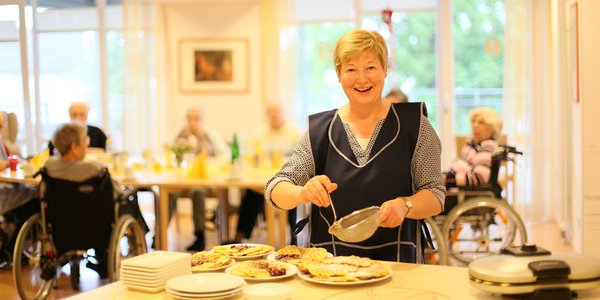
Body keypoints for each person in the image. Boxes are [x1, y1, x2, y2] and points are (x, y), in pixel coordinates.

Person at [265, 29, 445, 263]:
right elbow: (275, 189)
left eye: (370, 67)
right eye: (351, 69)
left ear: (385, 70)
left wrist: (405, 205)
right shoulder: (319, 130)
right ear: (339, 74)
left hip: (400, 263)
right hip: (330, 268)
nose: (362, 79)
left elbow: (435, 194)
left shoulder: (415, 125)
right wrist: (302, 192)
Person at [44, 122, 123, 278]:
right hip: (96, 232)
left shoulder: (49, 166)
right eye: (85, 140)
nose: (88, 142)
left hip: (62, 231)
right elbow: (115, 192)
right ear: (74, 147)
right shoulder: (95, 168)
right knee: (127, 203)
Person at [227, 103, 302, 244]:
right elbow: (252, 155)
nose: (274, 115)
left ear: (283, 113)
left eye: (277, 111)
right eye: (270, 112)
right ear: (267, 115)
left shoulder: (295, 132)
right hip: (263, 176)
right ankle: (239, 235)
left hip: (288, 175)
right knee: (252, 193)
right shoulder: (259, 132)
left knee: (292, 192)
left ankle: (294, 234)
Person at [168, 107, 226, 251]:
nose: (193, 122)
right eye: (189, 118)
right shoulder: (180, 134)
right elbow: (170, 153)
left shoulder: (209, 135)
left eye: (196, 118)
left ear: (202, 120)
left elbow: (224, 154)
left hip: (204, 178)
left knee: (197, 192)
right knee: (170, 192)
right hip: (182, 178)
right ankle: (160, 233)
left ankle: (200, 236)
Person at [0, 113, 38, 268]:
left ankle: (16, 248)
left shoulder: (3, 142)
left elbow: (10, 159)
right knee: (35, 198)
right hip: (2, 191)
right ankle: (15, 248)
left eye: (2, 125)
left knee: (34, 191)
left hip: (8, 185)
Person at [443, 107, 503, 198]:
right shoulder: (473, 145)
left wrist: (449, 180)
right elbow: (461, 167)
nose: (475, 125)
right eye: (473, 121)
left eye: (481, 122)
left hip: (467, 195)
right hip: (458, 189)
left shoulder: (488, 147)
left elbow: (479, 177)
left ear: (492, 129)